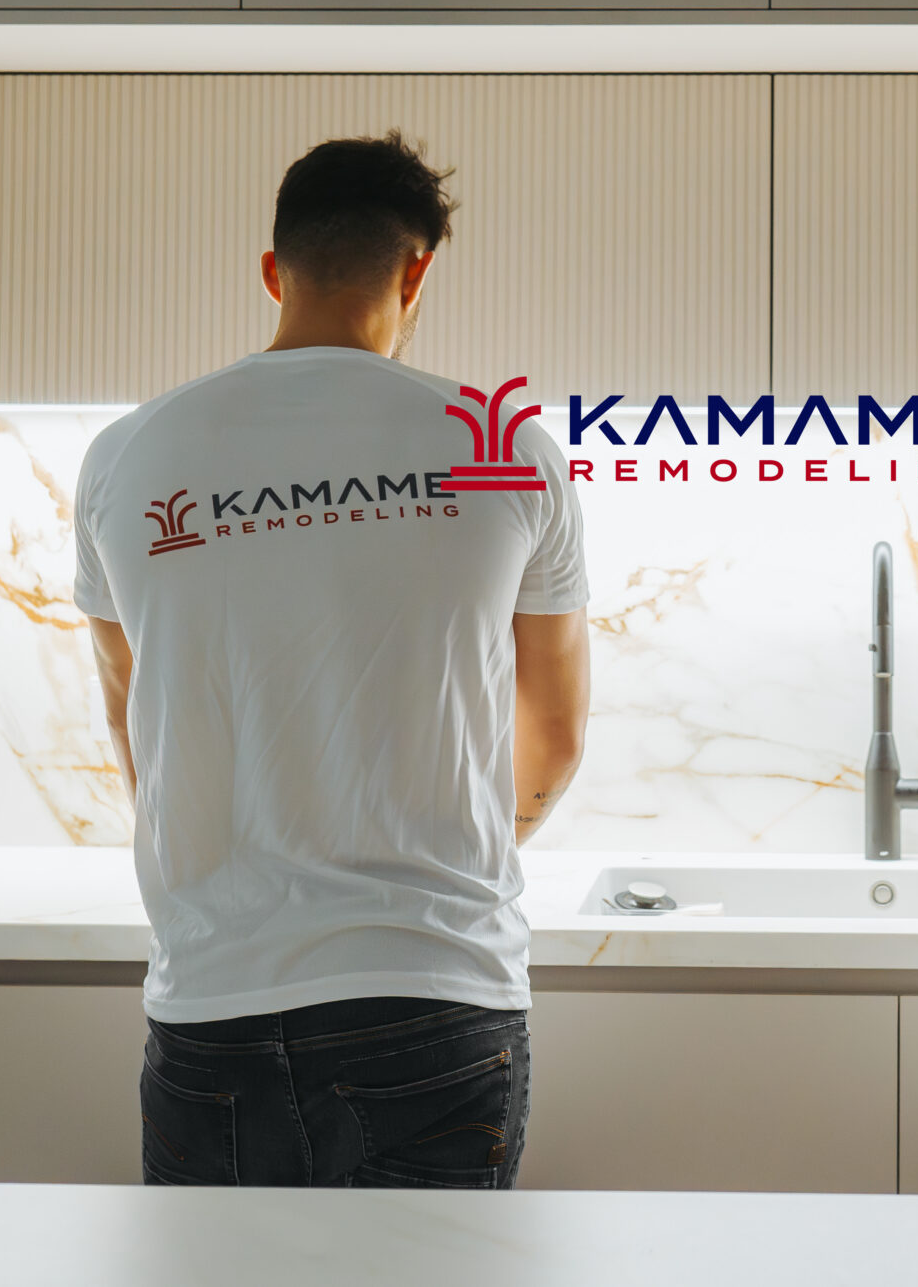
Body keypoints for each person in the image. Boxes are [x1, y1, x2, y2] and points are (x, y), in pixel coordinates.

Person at [74, 133, 591, 1189]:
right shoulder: (503, 443)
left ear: (273, 270)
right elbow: (555, 731)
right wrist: (447, 840)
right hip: (435, 988)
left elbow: (134, 708)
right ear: (417, 271)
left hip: (213, 995)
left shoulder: (129, 454)